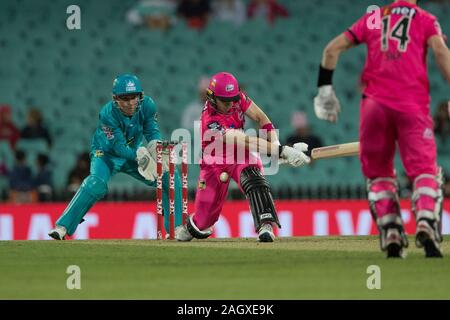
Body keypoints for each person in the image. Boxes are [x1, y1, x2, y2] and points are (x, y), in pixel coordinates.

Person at [314, 0, 450, 258]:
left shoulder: (374, 17)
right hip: (411, 104)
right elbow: (441, 52)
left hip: (374, 107)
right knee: (424, 171)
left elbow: (332, 49)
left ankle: (391, 232)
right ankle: (425, 221)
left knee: (379, 174)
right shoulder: (425, 19)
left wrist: (325, 92)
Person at [175, 72, 310, 242]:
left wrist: (276, 146)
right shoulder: (211, 120)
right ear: (212, 98)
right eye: (225, 101)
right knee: (204, 221)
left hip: (240, 155)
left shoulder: (236, 98)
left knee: (254, 178)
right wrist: (282, 151)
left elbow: (261, 118)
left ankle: (265, 225)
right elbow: (244, 140)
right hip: (214, 163)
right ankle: (190, 227)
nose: (231, 104)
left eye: (233, 99)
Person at [48, 74, 183, 240]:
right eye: (124, 99)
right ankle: (62, 226)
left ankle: (177, 228)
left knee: (170, 175)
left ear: (140, 96)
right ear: (115, 99)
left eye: (134, 97)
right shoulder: (107, 114)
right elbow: (118, 147)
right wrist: (141, 157)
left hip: (135, 150)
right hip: (106, 154)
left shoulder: (148, 105)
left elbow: (151, 130)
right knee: (95, 183)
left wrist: (156, 147)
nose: (131, 103)